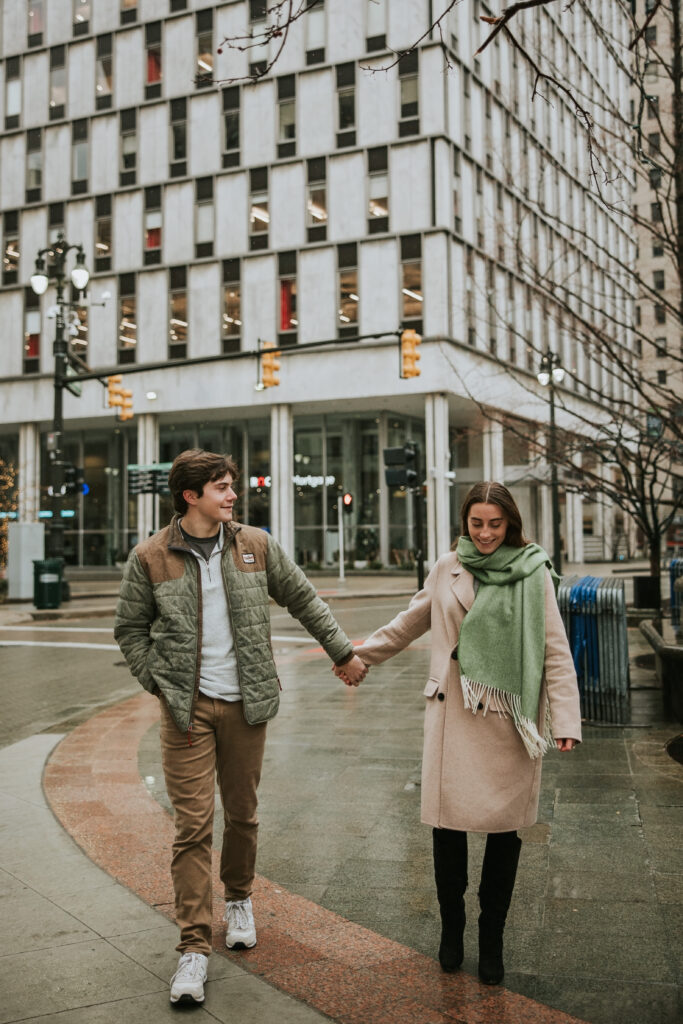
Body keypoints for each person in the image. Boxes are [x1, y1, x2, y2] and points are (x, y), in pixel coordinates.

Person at [114, 449, 367, 1005]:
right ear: (191, 495)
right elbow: (129, 628)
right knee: (192, 828)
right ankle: (193, 949)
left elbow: (304, 598)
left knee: (244, 813)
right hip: (186, 712)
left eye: (231, 487)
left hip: (246, 705)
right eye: (222, 488)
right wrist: (158, 681)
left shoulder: (254, 545)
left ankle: (238, 898)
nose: (232, 496)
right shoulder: (151, 557)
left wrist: (342, 652)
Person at [335, 481, 581, 986]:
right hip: (453, 715)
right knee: (447, 832)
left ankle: (491, 939)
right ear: (464, 522)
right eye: (477, 523)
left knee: (503, 834)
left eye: (495, 523)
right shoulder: (447, 567)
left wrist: (567, 719)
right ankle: (452, 930)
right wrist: (358, 655)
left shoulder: (534, 572)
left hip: (510, 720)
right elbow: (409, 622)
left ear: (509, 522)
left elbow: (555, 649)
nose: (486, 533)